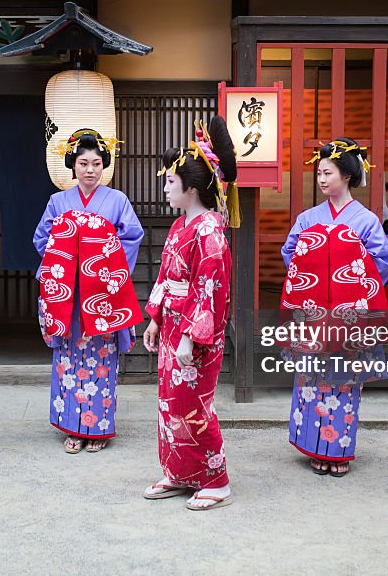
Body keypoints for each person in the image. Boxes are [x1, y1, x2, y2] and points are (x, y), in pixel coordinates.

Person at [280, 138, 388, 477]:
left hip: (349, 314)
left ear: (347, 176)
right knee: (312, 378)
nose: (322, 179)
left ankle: (338, 449)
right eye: (319, 173)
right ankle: (313, 445)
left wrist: (355, 285)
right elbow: (291, 255)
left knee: (344, 382)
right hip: (314, 313)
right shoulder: (307, 218)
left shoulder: (366, 220)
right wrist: (313, 279)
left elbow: (382, 260)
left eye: (328, 173)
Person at [142, 116, 237, 510]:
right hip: (172, 325)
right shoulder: (183, 225)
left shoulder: (209, 230)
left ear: (191, 187)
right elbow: (167, 275)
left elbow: (209, 289)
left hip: (194, 333)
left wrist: (189, 336)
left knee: (194, 405)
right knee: (170, 401)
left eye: (169, 182)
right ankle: (180, 472)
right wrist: (154, 317)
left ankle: (216, 480)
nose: (165, 188)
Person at [33, 129, 143, 453]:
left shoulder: (117, 201)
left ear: (104, 165)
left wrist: (104, 261)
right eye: (83, 163)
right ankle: (72, 427)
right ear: (73, 165)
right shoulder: (58, 202)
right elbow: (42, 240)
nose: (90, 169)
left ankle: (98, 427)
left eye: (96, 163)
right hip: (69, 293)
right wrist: (67, 257)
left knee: (102, 360)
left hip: (103, 294)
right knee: (68, 358)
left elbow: (132, 237)